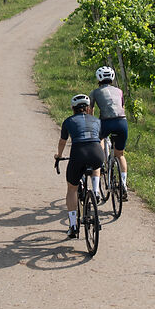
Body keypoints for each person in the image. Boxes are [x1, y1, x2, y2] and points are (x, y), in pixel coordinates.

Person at [53, 93, 104, 237]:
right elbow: (100, 140)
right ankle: (96, 191)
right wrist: (101, 156)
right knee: (96, 166)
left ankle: (73, 226)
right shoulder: (97, 121)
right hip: (96, 153)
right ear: (88, 108)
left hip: (78, 154)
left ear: (72, 108)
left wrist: (59, 155)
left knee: (72, 188)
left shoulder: (68, 121)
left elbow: (62, 142)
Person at [90, 64, 129, 197]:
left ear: (98, 79)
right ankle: (123, 184)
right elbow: (122, 106)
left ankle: (101, 160)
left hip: (106, 122)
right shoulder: (119, 91)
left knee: (99, 139)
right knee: (120, 154)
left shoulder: (95, 92)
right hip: (122, 122)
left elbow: (90, 111)